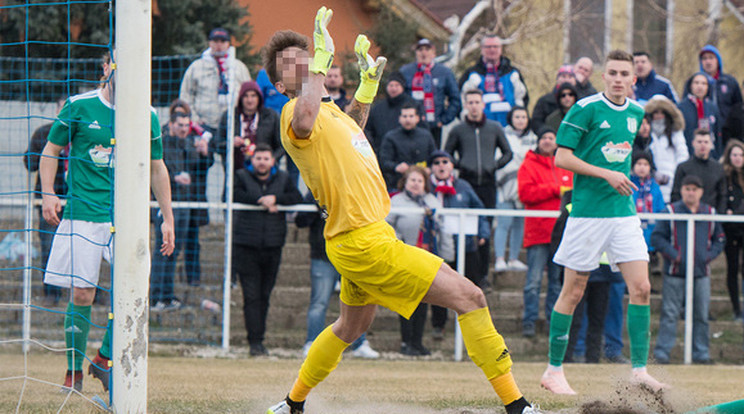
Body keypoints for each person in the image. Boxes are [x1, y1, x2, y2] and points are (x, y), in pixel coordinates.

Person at [264, 8, 539, 414]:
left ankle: (291, 405)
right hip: (364, 242)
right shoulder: (293, 111)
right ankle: (518, 406)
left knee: (350, 327)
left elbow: (351, 126)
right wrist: (319, 61)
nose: (301, 62)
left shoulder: (328, 111)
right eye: (291, 63)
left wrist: (368, 87)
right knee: (472, 296)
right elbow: (306, 119)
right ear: (277, 82)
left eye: (303, 56)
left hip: (361, 238)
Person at [40, 52, 175, 392]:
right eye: (118, 64)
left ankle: (102, 359)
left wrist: (167, 217)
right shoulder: (79, 106)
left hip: (127, 218)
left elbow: (158, 168)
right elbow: (51, 150)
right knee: (83, 293)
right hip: (83, 216)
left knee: (136, 292)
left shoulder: (147, 115)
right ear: (106, 68)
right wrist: (48, 192)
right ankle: (73, 372)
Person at [541, 50, 667, 395]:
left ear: (633, 79)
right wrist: (607, 174)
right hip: (586, 214)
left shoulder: (636, 112)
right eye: (611, 72)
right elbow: (562, 157)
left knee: (641, 288)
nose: (617, 78)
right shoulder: (585, 109)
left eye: (623, 73)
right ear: (603, 77)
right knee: (574, 290)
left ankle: (639, 371)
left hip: (623, 214)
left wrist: (618, 178)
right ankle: (553, 371)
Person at [232, 144, 302, 356]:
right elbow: (233, 195)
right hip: (246, 244)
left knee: (265, 294)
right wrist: (260, 201)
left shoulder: (282, 178)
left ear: (273, 161)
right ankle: (254, 342)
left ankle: (260, 339)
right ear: (252, 160)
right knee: (251, 296)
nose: (262, 162)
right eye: (258, 158)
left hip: (273, 245)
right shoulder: (241, 176)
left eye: (266, 158)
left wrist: (276, 199)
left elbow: (296, 197)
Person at [295, 191, 379, 359]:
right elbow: (300, 220)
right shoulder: (315, 190)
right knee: (319, 302)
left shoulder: (353, 189)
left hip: (351, 255)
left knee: (359, 302)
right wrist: (317, 208)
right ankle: (312, 342)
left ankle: (359, 343)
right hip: (323, 255)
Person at [651, 174, 725, 364]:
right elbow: (657, 238)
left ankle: (701, 354)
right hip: (674, 272)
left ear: (701, 192)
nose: (691, 193)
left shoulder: (710, 212)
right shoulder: (670, 211)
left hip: (701, 274)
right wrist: (675, 256)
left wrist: (707, 257)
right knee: (669, 313)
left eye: (694, 189)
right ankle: (662, 353)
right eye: (687, 189)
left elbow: (720, 239)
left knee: (701, 315)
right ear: (682, 190)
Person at [445, 89, 513, 280]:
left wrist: (494, 165)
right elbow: (447, 154)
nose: (474, 106)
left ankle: (483, 275)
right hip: (466, 184)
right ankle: (462, 274)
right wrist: (461, 166)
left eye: (477, 102)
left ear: (483, 105)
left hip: (488, 185)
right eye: (471, 102)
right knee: (465, 229)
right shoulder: (458, 129)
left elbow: (508, 153)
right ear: (466, 105)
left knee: (485, 229)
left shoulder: (494, 127)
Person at [387, 166, 451, 356]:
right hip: (404, 256)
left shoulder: (432, 202)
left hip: (428, 259)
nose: (416, 184)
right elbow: (387, 226)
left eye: (419, 181)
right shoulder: (396, 201)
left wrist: (448, 254)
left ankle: (417, 342)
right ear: (405, 182)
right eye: (412, 180)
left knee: (424, 301)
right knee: (407, 301)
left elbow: (443, 228)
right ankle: (406, 342)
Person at [517, 127, 573, 337]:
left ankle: (553, 321)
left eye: (552, 137)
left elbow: (573, 193)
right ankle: (529, 320)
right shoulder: (528, 164)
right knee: (533, 281)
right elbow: (525, 193)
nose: (548, 141)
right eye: (544, 137)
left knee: (556, 282)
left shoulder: (566, 164)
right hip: (538, 231)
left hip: (561, 232)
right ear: (538, 141)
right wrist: (554, 189)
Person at [429, 149, 489, 325]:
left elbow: (479, 210)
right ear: (431, 167)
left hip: (465, 244)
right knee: (438, 289)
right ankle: (438, 326)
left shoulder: (463, 186)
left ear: (452, 166)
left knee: (470, 286)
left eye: (445, 162)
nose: (441, 166)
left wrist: (483, 233)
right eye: (437, 162)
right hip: (438, 246)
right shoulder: (426, 186)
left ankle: (474, 325)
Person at [150, 112, 200, 310]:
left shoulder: (187, 143)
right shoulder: (163, 143)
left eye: (186, 125)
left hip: (185, 203)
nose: (183, 128)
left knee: (174, 249)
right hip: (165, 204)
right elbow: (157, 169)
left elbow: (199, 164)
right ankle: (155, 296)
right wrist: (174, 177)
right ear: (170, 125)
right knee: (161, 249)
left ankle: (167, 294)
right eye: (179, 124)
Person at [166, 100, 214, 287]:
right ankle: (162, 291)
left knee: (193, 239)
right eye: (179, 119)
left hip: (194, 196)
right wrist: (174, 178)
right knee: (170, 245)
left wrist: (204, 153)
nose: (184, 127)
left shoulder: (198, 136)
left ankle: (193, 278)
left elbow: (204, 166)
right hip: (173, 197)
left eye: (186, 121)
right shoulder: (165, 136)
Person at [23, 97, 67, 305]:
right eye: (62, 108)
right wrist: (47, 151)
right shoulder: (43, 133)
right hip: (49, 200)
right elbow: (29, 163)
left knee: (81, 246)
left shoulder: (84, 134)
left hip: (78, 199)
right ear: (57, 110)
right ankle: (51, 293)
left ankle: (87, 292)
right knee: (49, 245)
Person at [179, 28, 252, 133]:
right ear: (209, 43)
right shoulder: (197, 66)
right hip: (204, 124)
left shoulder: (239, 67)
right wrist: (194, 119)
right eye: (215, 41)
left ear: (228, 44)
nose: (219, 45)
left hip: (233, 124)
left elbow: (248, 92)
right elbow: (186, 95)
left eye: (223, 41)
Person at [494, 107, 536, 272]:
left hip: (526, 188)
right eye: (517, 117)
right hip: (506, 186)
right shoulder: (502, 134)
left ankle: (513, 258)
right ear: (511, 118)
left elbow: (533, 161)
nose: (520, 120)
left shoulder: (534, 138)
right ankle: (499, 258)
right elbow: (500, 158)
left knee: (520, 224)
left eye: (523, 117)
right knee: (504, 223)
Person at [399, 38, 461, 148]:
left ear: (433, 53)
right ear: (416, 53)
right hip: (410, 124)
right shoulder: (406, 71)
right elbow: (398, 96)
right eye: (420, 49)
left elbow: (455, 98)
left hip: (434, 125)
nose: (424, 53)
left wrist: (443, 120)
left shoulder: (444, 72)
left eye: (427, 49)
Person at [214, 80, 283, 176]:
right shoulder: (229, 116)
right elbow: (216, 144)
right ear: (240, 98)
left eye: (253, 95)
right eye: (246, 96)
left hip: (265, 173)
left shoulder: (271, 116)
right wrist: (231, 142)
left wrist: (272, 159)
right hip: (235, 173)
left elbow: (281, 146)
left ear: (259, 97)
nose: (249, 100)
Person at [458, 34, 529, 126]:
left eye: (495, 46)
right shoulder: (471, 74)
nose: (492, 50)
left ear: (501, 48)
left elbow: (522, 99)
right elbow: (461, 100)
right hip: (480, 128)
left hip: (509, 128)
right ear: (482, 49)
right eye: (488, 47)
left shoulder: (513, 73)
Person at [379, 102, 436, 191]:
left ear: (417, 118)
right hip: (396, 185)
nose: (407, 120)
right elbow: (383, 161)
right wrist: (396, 167)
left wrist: (429, 169)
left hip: (423, 186)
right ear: (399, 119)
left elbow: (434, 158)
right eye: (404, 116)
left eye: (411, 116)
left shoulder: (426, 136)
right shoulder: (390, 137)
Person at [643, 97, 689, 203]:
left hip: (671, 176)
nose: (659, 116)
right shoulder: (647, 134)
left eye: (662, 112)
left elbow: (682, 155)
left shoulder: (675, 133)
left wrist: (678, 175)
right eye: (656, 112)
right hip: (651, 177)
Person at [670, 129, 726, 214]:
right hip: (686, 216)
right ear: (693, 143)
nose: (702, 145)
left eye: (706, 142)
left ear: (711, 144)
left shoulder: (718, 168)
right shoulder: (683, 167)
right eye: (699, 142)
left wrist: (719, 216)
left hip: (711, 217)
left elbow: (722, 195)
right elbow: (676, 194)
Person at [365, 72, 421, 153]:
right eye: (391, 85)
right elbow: (369, 130)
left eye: (397, 85)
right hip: (382, 151)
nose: (393, 89)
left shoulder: (414, 105)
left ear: (402, 86)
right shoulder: (377, 108)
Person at [721, 140, 744, 320]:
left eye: (741, 155)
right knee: (732, 268)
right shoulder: (724, 176)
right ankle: (736, 309)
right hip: (730, 230)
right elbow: (722, 202)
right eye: (735, 154)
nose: (738, 158)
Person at [678, 73, 722, 157]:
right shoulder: (681, 108)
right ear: (690, 85)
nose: (700, 86)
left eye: (703, 83)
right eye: (696, 83)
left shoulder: (712, 108)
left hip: (710, 157)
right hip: (688, 155)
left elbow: (717, 134)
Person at [699, 45, 743, 128]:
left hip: (727, 130)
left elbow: (738, 108)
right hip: (705, 132)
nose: (708, 61)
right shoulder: (696, 83)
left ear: (718, 60)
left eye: (711, 58)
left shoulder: (730, 82)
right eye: (704, 58)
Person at [531, 65, 577, 133]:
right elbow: (536, 122)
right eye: (563, 76)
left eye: (570, 77)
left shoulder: (581, 101)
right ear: (557, 79)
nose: (566, 80)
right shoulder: (544, 101)